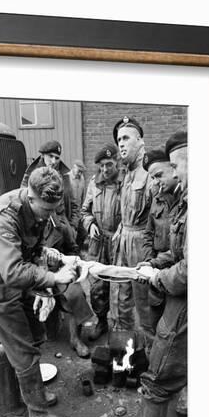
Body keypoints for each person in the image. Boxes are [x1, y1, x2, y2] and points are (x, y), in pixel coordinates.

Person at [0, 166, 78, 417]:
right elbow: (12, 271)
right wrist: (53, 278)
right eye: (45, 210)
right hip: (1, 285)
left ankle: (30, 397)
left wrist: (43, 253)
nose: (49, 217)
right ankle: (38, 416)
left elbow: (31, 247)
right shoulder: (6, 217)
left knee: (35, 335)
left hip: (21, 277)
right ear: (30, 197)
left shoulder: (38, 208)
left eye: (54, 210)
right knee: (22, 349)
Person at [137, 130, 188, 417]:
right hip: (175, 289)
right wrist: (155, 262)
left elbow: (192, 269)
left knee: (157, 377)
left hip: (184, 301)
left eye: (175, 167)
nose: (159, 182)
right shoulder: (182, 203)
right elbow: (177, 250)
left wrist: (158, 276)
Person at [22, 141, 91, 357]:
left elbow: (75, 207)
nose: (54, 161)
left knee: (76, 292)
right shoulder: (30, 181)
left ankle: (75, 338)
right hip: (37, 260)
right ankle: (39, 336)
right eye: (50, 156)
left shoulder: (65, 181)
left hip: (61, 254)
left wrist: (69, 227)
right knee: (33, 302)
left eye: (57, 157)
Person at [110, 116, 154, 355]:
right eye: (119, 140)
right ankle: (124, 356)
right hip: (123, 241)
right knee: (120, 301)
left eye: (126, 138)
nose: (121, 144)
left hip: (140, 244)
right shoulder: (125, 175)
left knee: (144, 304)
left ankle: (149, 360)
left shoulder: (150, 176)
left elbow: (156, 221)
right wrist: (120, 229)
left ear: (140, 142)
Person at [81, 143, 122, 340]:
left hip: (118, 242)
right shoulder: (93, 183)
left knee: (119, 287)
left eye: (109, 164)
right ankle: (102, 322)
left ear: (117, 162)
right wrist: (90, 224)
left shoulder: (125, 183)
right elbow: (84, 211)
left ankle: (120, 328)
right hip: (98, 242)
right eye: (102, 166)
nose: (105, 169)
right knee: (97, 286)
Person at [140, 148, 179, 329]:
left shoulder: (185, 201)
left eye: (159, 175)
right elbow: (148, 233)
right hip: (156, 273)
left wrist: (155, 264)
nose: (156, 182)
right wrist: (149, 262)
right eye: (152, 178)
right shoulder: (156, 199)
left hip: (178, 276)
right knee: (153, 324)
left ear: (174, 167)